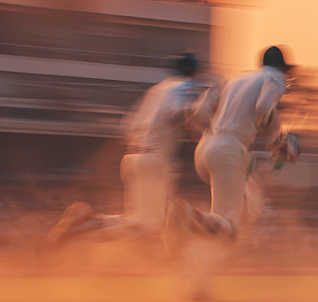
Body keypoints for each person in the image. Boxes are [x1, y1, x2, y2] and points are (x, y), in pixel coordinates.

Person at [170, 45, 298, 299]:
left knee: (248, 214)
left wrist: (221, 138)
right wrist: (278, 140)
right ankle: (187, 215)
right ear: (281, 67)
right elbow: (263, 110)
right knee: (227, 223)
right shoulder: (275, 77)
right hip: (228, 151)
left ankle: (197, 281)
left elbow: (198, 113)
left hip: (206, 147)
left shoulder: (236, 79)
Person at [48, 53, 206, 246]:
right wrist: (196, 125)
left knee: (138, 219)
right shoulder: (184, 86)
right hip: (154, 157)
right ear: (192, 71)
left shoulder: (156, 90)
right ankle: (87, 223)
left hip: (132, 156)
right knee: (149, 224)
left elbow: (127, 126)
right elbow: (173, 113)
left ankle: (87, 223)